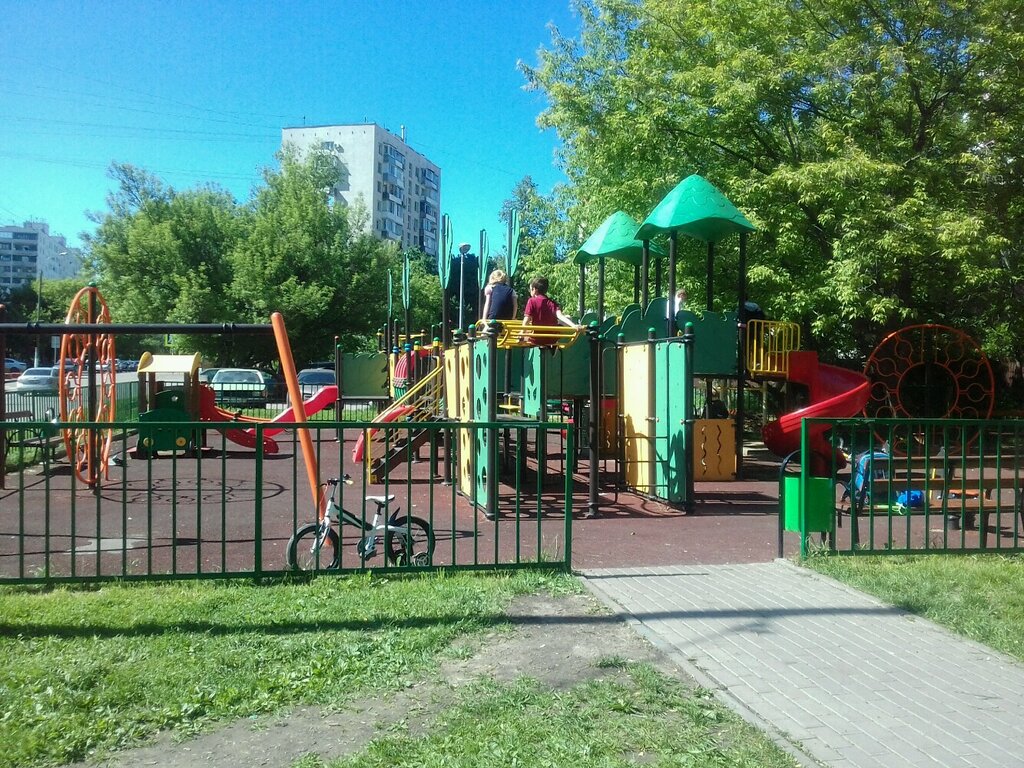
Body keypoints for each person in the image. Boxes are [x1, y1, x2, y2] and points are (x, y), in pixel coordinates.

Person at [522, 276, 578, 345]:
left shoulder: (532, 301)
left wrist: (521, 333)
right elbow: (560, 316)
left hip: (537, 339)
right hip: (552, 339)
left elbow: (526, 320)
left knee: (526, 334)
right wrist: (574, 326)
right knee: (568, 317)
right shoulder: (552, 303)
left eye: (530, 289)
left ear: (535, 290)